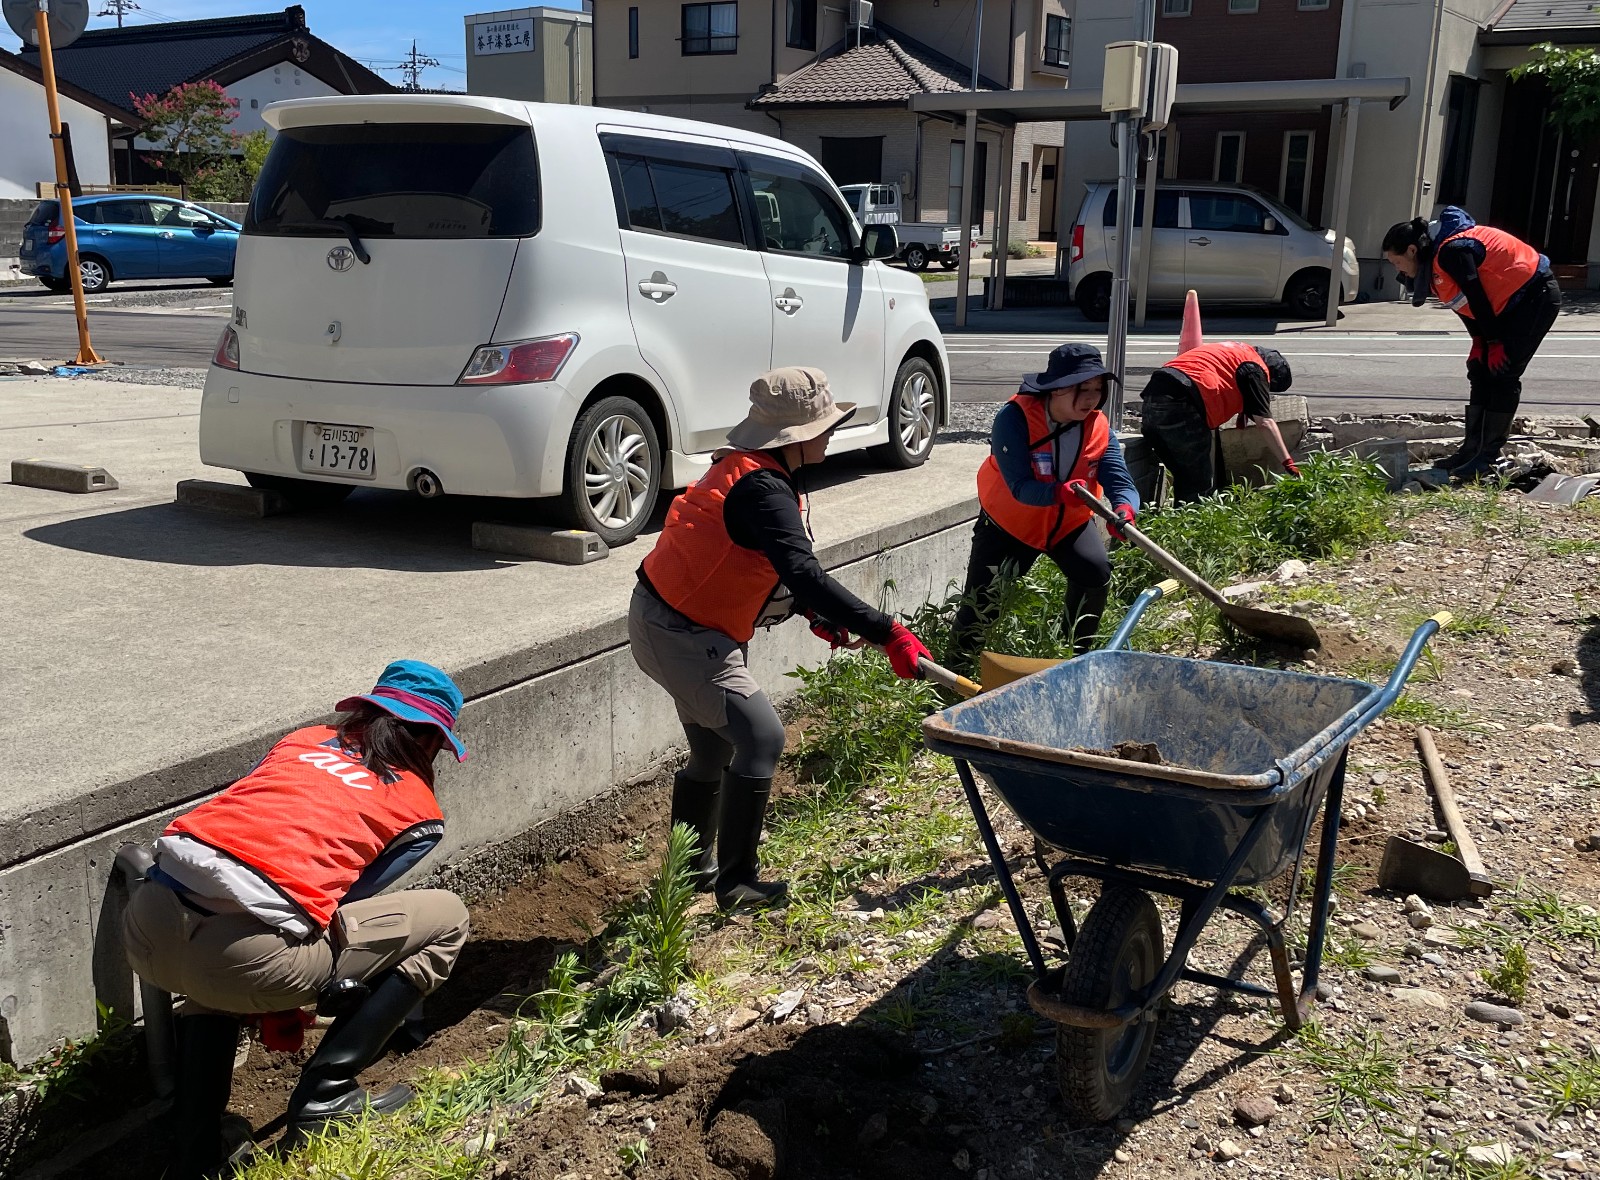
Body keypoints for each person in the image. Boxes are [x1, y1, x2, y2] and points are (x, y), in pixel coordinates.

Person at [122, 660, 472, 1177]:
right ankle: (326, 1093)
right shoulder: (418, 811)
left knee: (221, 924)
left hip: (147, 929)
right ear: (429, 741)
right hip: (241, 962)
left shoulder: (300, 741)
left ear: (365, 711)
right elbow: (339, 900)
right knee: (448, 918)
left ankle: (195, 1140)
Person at [630, 367, 932, 909]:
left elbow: (746, 563)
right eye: (825, 424)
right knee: (762, 738)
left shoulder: (751, 472)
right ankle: (737, 881)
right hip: (683, 632)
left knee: (714, 746)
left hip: (668, 619)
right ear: (795, 436)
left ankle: (688, 872)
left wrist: (810, 613)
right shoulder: (764, 489)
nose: (832, 431)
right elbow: (803, 572)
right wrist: (888, 632)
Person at [948, 343, 1140, 671]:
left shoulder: (1099, 426)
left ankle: (1073, 656)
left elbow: (1119, 480)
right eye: (1083, 388)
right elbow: (1021, 487)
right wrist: (1060, 492)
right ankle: (956, 673)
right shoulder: (1014, 419)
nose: (1092, 398)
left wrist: (1125, 509)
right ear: (1057, 390)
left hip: (1068, 522)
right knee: (982, 603)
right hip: (1010, 524)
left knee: (1094, 572)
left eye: (1097, 389)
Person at [1382, 207, 1561, 481]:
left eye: (1396, 262)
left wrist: (1493, 340)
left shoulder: (1452, 251)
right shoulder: (1433, 262)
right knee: (1479, 370)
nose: (1397, 270)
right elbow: (1462, 304)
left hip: (1535, 297)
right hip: (1503, 306)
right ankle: (1471, 450)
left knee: (1503, 373)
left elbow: (1475, 294)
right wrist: (1479, 340)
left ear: (1411, 251)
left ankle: (1488, 458)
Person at [1138, 340, 1297, 503]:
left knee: (1185, 475)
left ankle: (1171, 521)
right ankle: (1191, 525)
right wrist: (1288, 463)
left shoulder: (1236, 352)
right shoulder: (1254, 369)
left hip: (1153, 400)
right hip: (1182, 404)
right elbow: (1265, 423)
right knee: (1198, 483)